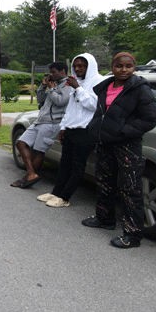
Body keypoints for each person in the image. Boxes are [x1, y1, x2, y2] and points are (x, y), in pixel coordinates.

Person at [81, 52, 156, 249]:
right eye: (119, 66)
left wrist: (123, 131)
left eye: (128, 66)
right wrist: (95, 128)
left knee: (130, 189)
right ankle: (105, 219)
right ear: (112, 67)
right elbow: (102, 113)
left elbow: (151, 119)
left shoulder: (139, 89)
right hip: (105, 142)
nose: (124, 70)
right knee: (104, 183)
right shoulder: (106, 87)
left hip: (127, 145)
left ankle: (132, 235)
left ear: (134, 67)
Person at [38, 53, 105, 207]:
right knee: (65, 163)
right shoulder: (76, 82)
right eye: (75, 65)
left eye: (82, 65)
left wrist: (78, 88)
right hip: (70, 129)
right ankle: (56, 192)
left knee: (77, 165)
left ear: (90, 66)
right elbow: (71, 108)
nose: (77, 68)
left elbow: (94, 105)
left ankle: (65, 197)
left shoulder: (99, 81)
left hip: (85, 130)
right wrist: (63, 128)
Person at [11, 61, 73, 189]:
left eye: (53, 72)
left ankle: (29, 176)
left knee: (39, 151)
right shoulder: (53, 85)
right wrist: (43, 86)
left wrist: (52, 89)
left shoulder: (68, 85)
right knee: (21, 143)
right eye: (50, 72)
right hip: (40, 121)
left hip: (52, 123)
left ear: (62, 72)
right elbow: (41, 100)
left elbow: (61, 101)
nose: (51, 75)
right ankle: (31, 174)